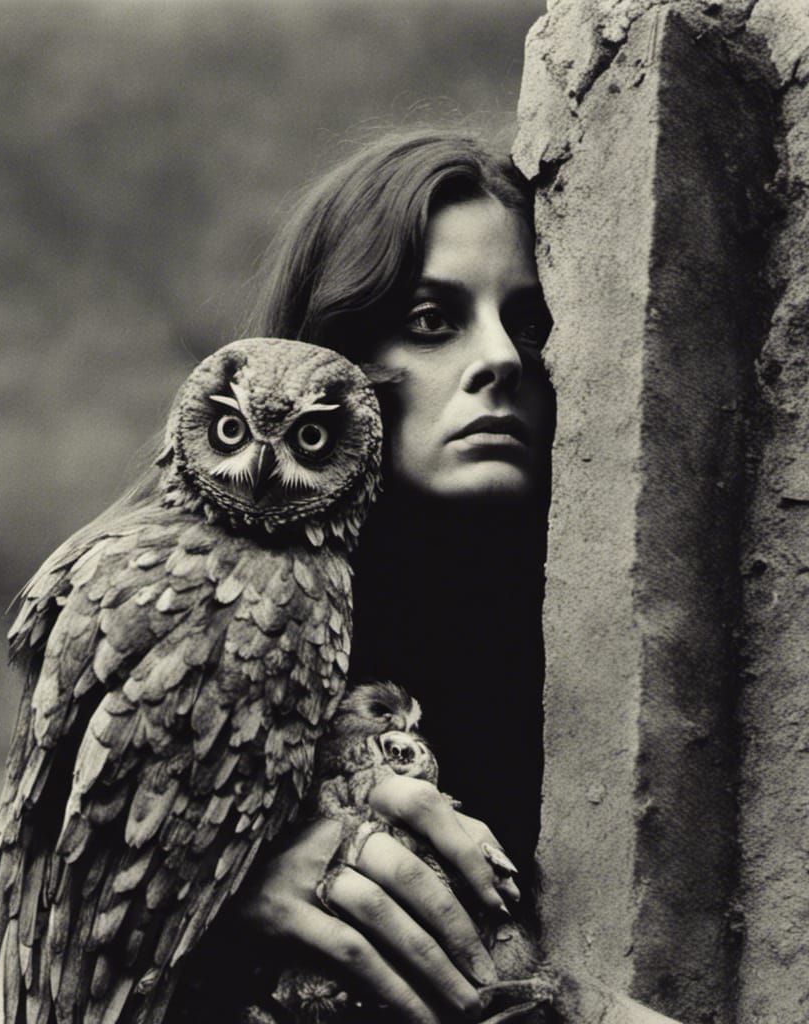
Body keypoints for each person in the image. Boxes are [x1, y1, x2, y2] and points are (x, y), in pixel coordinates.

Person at [172, 131, 553, 1024]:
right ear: (334, 355)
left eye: (532, 323)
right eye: (432, 321)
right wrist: (224, 886)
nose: (502, 357)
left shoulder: (595, 625)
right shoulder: (209, 615)